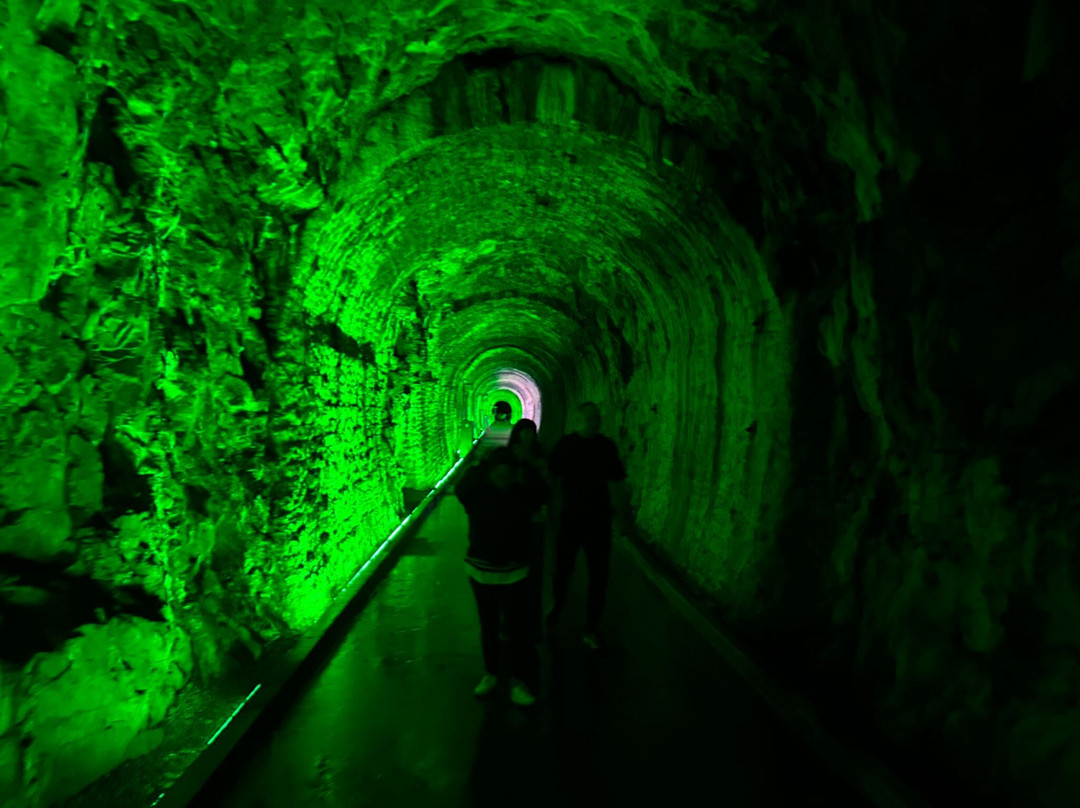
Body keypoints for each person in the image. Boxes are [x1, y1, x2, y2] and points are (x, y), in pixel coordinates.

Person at [454, 446, 549, 706]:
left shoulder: (522, 495)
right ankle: (491, 673)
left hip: (514, 572)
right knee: (489, 626)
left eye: (508, 476)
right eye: (499, 476)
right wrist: (481, 465)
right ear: (491, 473)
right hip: (482, 570)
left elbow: (544, 493)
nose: (504, 481)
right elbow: (461, 488)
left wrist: (527, 464)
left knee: (517, 628)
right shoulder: (478, 494)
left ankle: (517, 680)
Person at [546, 402, 631, 651]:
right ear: (578, 421)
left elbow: (617, 481)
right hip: (571, 517)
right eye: (590, 418)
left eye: (597, 418)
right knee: (563, 569)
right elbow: (552, 476)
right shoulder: (566, 445)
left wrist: (623, 518)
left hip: (599, 519)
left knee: (599, 575)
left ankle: (591, 627)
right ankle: (557, 606)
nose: (595, 423)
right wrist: (548, 509)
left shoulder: (606, 446)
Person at [507, 419, 551, 644]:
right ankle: (512, 621)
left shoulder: (539, 455)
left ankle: (532, 624)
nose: (528, 436)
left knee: (534, 571)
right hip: (515, 520)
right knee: (513, 568)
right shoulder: (510, 455)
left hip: (534, 520)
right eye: (524, 432)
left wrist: (533, 462)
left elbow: (547, 484)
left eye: (531, 432)